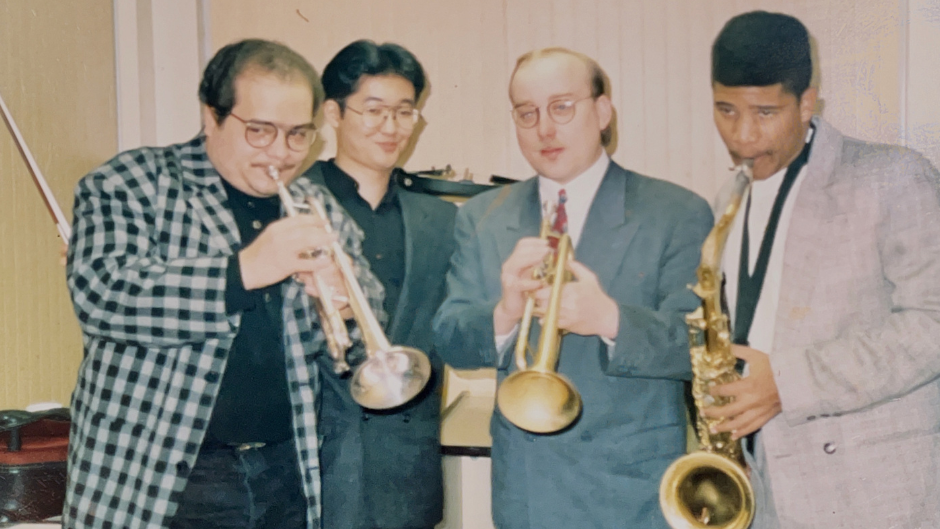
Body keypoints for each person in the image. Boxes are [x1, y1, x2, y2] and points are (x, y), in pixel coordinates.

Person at [64, 39, 385, 529]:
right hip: (167, 477)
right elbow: (103, 295)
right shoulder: (130, 182)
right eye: (260, 131)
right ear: (211, 117)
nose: (280, 152)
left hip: (286, 469)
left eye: (299, 134)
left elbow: (366, 343)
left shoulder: (315, 206)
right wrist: (245, 270)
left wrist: (342, 308)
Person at [432, 47, 713, 528]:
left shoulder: (677, 211)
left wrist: (610, 320)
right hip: (528, 493)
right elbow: (449, 339)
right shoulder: (482, 216)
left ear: (602, 111)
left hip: (633, 495)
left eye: (563, 106)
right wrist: (505, 311)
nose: (544, 128)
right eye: (527, 113)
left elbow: (702, 349)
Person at [702, 11, 940, 528]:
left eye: (765, 113)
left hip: (869, 494)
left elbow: (933, 325)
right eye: (726, 110)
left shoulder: (893, 177)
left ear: (808, 102)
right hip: (762, 489)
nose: (742, 136)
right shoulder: (729, 195)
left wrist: (788, 381)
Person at [301, 40, 454, 529]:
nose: (391, 128)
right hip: (309, 467)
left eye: (404, 112)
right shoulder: (288, 208)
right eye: (373, 110)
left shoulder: (441, 220)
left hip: (406, 474)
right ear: (333, 112)